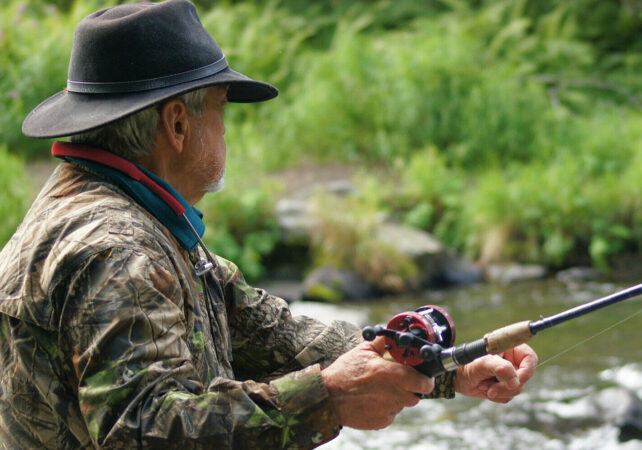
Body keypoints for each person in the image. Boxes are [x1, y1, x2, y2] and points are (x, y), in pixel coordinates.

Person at [0, 1, 537, 448]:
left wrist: (446, 367)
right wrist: (326, 396)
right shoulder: (117, 249)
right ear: (178, 123)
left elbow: (268, 329)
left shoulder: (118, 212)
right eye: (220, 109)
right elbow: (143, 429)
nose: (226, 131)